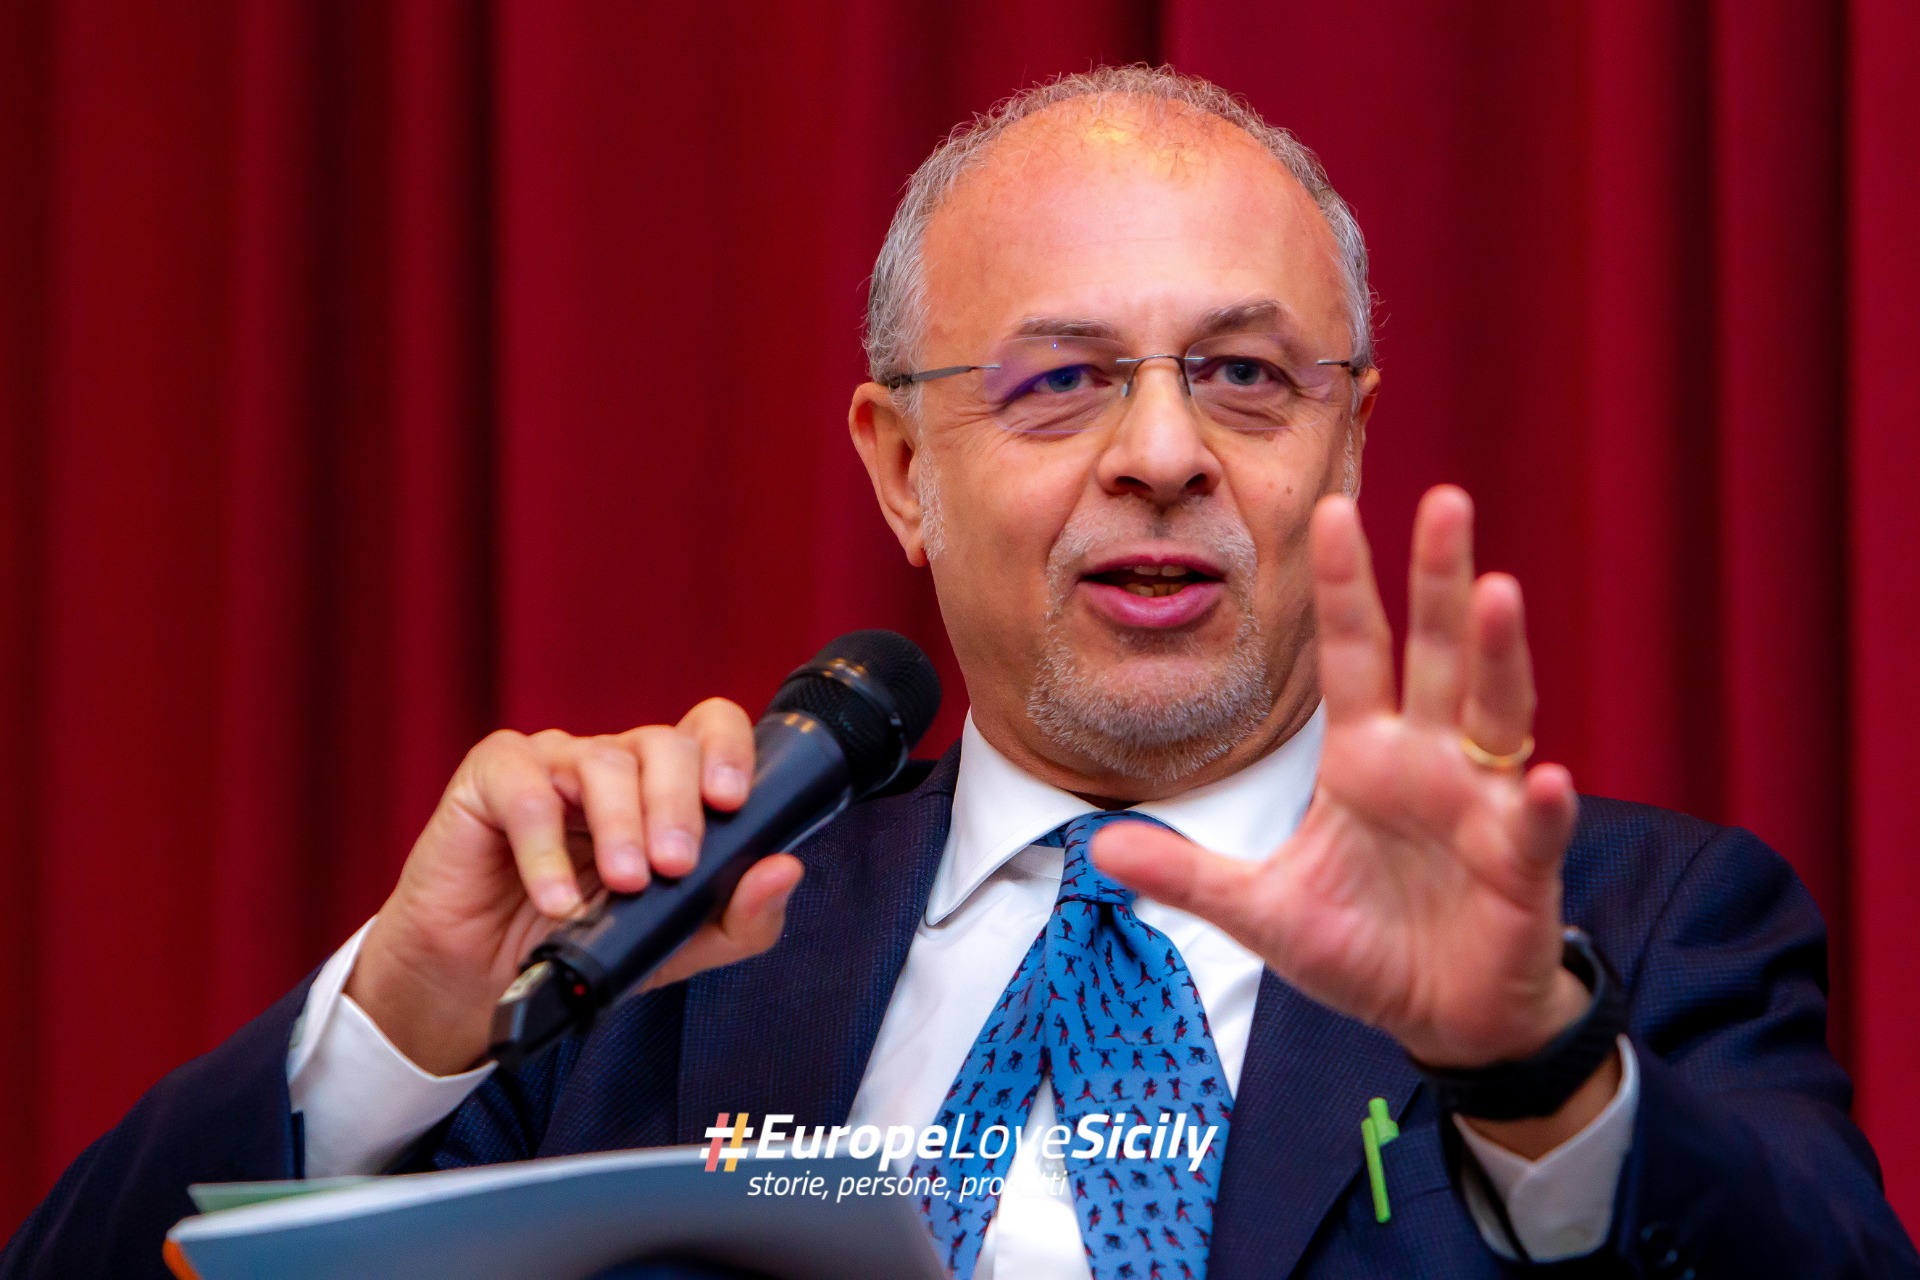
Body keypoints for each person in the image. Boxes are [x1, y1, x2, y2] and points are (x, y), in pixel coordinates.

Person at [5, 66, 1915, 1280]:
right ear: (903, 470)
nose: (1161, 452)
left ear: (1344, 444)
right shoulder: (650, 956)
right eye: (1059, 380)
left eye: (1246, 377)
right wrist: (404, 1026)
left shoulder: (1637, 931)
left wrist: (1542, 1072)